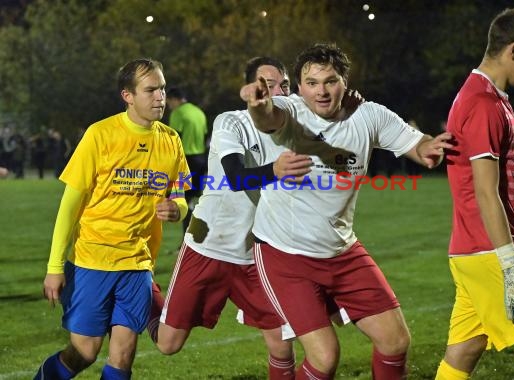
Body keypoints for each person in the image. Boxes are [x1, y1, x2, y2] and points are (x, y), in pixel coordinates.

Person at [240, 43, 452, 379]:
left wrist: (429, 147)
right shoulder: (289, 110)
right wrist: (258, 104)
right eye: (312, 83)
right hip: (285, 256)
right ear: (298, 88)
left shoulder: (368, 115)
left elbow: (417, 142)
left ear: (345, 82)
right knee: (324, 357)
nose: (321, 91)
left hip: (341, 250)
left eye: (330, 81)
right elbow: (267, 117)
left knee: (395, 341)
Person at [147, 56, 314, 379]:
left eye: (284, 84)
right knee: (168, 344)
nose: (278, 90)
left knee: (281, 342)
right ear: (250, 89)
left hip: (257, 254)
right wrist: (277, 170)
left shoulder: (295, 125)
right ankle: (146, 292)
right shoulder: (230, 121)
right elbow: (236, 177)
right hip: (207, 244)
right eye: (268, 84)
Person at [34, 58, 190, 380]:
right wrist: (53, 267)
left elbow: (181, 195)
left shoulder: (171, 140)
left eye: (161, 88)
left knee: (123, 355)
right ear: (128, 96)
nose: (160, 96)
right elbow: (69, 206)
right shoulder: (100, 135)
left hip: (137, 265)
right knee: (84, 352)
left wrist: (178, 209)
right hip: (93, 260)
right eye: (150, 90)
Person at [435, 8, 514, 380]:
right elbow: (486, 191)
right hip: (489, 249)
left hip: (472, 248)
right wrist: (510, 262)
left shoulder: (488, 96)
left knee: (465, 349)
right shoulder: (484, 104)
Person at [166, 87, 209, 235]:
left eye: (169, 102)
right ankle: (192, 239)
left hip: (186, 161)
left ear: (175, 100)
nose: (169, 106)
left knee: (181, 200)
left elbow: (174, 137)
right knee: (192, 201)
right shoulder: (199, 112)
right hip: (201, 159)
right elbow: (204, 135)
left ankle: (187, 241)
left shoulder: (178, 113)